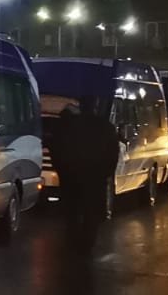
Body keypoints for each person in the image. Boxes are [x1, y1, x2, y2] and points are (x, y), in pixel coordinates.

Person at [50, 97, 119, 248]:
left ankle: (73, 243)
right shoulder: (105, 127)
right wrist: (105, 174)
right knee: (91, 215)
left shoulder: (68, 127)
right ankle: (86, 245)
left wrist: (62, 170)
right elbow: (113, 155)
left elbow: (56, 149)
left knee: (72, 213)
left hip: (72, 177)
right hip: (95, 179)